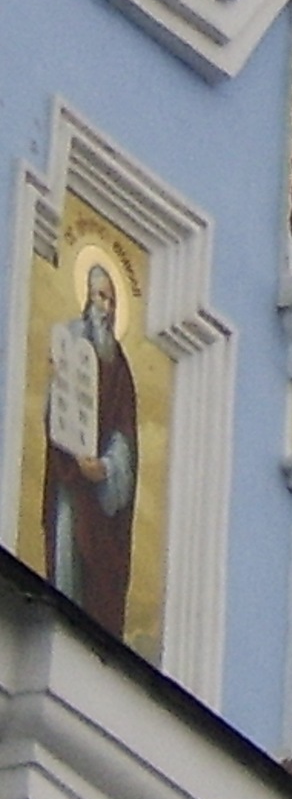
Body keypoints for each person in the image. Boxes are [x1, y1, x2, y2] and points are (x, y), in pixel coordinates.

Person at [43, 263, 140, 637]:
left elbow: (124, 433)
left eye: (112, 301)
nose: (106, 308)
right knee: (66, 553)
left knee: (99, 576)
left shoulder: (120, 367)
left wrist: (108, 467)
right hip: (69, 475)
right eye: (100, 297)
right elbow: (53, 410)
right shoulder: (70, 339)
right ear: (87, 297)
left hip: (98, 485)